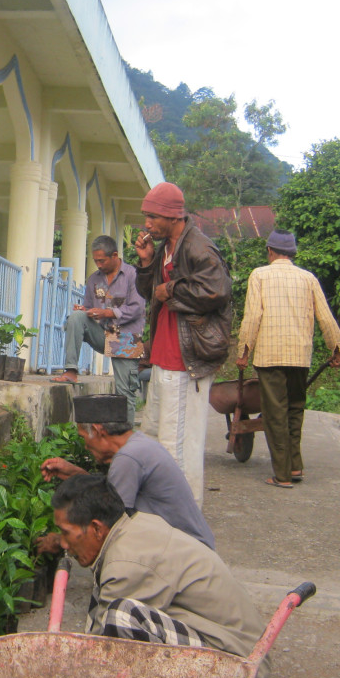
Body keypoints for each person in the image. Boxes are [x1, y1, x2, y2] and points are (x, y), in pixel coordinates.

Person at [51, 473, 270, 678]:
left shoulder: (126, 563)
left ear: (97, 528)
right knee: (104, 601)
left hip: (239, 662)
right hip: (227, 639)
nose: (63, 544)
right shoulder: (134, 525)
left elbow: (101, 647)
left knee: (121, 616)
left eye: (66, 533)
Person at [134, 181, 232, 506]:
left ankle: (182, 523)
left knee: (176, 449)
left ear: (172, 216)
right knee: (155, 439)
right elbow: (151, 293)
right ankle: (167, 514)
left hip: (184, 361)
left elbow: (217, 291)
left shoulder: (199, 247)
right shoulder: (166, 247)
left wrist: (172, 290)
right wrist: (147, 263)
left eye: (152, 216)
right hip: (165, 359)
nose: (147, 223)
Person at [236, 229, 340, 489]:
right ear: (293, 253)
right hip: (300, 356)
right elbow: (325, 316)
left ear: (270, 251)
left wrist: (243, 350)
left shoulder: (259, 275)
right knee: (295, 409)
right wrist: (336, 349)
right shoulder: (308, 278)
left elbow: (253, 316)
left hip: (270, 357)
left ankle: (282, 475)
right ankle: (295, 465)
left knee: (275, 414)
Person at [38, 394, 215, 549]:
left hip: (185, 554)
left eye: (84, 437)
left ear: (99, 431)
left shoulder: (129, 458)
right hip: (187, 546)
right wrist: (74, 473)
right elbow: (111, 494)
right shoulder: (138, 444)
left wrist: (62, 539)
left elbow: (110, 519)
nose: (85, 445)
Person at [49, 235, 145, 415]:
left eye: (102, 261)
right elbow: (89, 307)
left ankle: (124, 439)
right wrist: (84, 309)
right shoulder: (93, 279)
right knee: (76, 317)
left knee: (126, 394)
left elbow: (137, 309)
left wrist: (106, 313)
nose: (99, 265)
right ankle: (70, 371)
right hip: (102, 333)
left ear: (115, 255)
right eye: (95, 261)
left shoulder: (133, 275)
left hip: (127, 338)